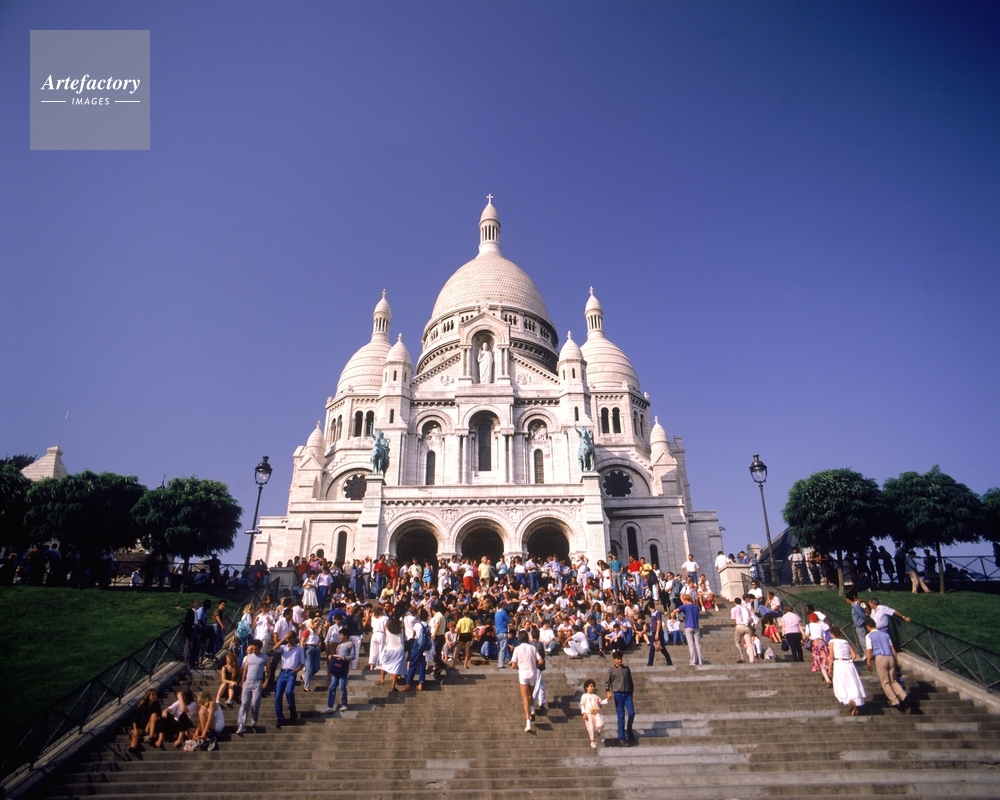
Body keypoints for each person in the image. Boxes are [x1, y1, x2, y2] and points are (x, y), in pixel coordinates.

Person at [864, 618, 910, 712]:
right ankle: (904, 696)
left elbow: (869, 650)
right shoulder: (885, 634)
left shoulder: (869, 636)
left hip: (880, 658)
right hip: (890, 657)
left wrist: (868, 662)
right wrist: (895, 660)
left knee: (885, 682)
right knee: (894, 681)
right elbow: (892, 648)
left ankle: (895, 701)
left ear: (868, 626)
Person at [509, 630, 542, 732]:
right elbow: (541, 661)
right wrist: (534, 665)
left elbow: (513, 665)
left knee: (525, 699)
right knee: (530, 695)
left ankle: (528, 723)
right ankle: (532, 709)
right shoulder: (533, 648)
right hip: (533, 674)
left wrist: (519, 668)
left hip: (523, 674)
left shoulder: (517, 649)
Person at [829, 625, 866, 715]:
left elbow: (831, 656)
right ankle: (854, 701)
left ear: (832, 633)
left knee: (841, 683)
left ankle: (849, 700)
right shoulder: (846, 642)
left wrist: (830, 667)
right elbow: (854, 656)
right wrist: (849, 660)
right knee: (851, 683)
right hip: (849, 664)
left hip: (839, 663)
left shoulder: (832, 642)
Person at [236, 639, 268, 736]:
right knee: (244, 703)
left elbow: (269, 670)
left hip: (257, 681)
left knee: (255, 703)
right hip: (248, 681)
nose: (254, 651)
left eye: (256, 649)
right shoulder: (249, 657)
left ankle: (254, 718)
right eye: (253, 649)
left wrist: (266, 680)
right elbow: (245, 670)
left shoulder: (265, 657)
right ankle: (241, 724)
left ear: (260, 648)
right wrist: (243, 682)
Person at [273, 632, 305, 728]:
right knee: (278, 696)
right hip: (283, 672)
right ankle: (280, 718)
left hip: (291, 672)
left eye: (291, 637)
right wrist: (284, 638)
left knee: (289, 692)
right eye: (289, 638)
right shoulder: (284, 647)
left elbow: (302, 662)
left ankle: (292, 709)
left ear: (295, 638)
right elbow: (275, 648)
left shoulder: (299, 649)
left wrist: (298, 669)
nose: (290, 639)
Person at [605, 650, 636, 746]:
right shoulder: (611, 670)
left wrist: (631, 691)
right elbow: (607, 682)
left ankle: (629, 729)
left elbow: (630, 681)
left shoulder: (626, 669)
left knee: (631, 713)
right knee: (621, 716)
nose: (619, 661)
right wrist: (608, 691)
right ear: (614, 660)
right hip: (618, 694)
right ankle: (622, 738)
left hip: (627, 693)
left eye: (620, 659)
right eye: (617, 659)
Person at [327, 634, 356, 711]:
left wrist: (344, 658)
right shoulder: (339, 645)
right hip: (336, 667)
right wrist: (332, 656)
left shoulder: (350, 644)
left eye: (341, 635)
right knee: (332, 686)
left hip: (344, 667)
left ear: (346, 636)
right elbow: (338, 655)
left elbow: (353, 656)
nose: (339, 637)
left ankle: (344, 704)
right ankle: (330, 706)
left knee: (342, 686)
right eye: (339, 635)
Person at [129, 689, 162, 754]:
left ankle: (151, 737)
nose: (155, 697)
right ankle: (133, 748)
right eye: (153, 695)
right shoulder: (141, 705)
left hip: (150, 726)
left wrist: (157, 718)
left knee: (154, 715)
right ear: (148, 696)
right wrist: (135, 729)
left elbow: (159, 716)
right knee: (135, 735)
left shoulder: (156, 705)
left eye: (156, 695)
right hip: (140, 727)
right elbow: (134, 719)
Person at [673, 594, 703, 666]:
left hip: (688, 626)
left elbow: (675, 611)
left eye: (684, 600)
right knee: (698, 644)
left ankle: (693, 661)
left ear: (686, 600)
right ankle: (700, 661)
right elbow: (698, 614)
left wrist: (672, 618)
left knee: (691, 644)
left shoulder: (685, 606)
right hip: (696, 626)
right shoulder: (696, 607)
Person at [580, 679, 608, 748]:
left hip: (596, 712)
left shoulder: (595, 696)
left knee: (601, 723)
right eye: (591, 686)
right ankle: (592, 741)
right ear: (586, 687)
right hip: (589, 713)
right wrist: (584, 713)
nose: (592, 688)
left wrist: (607, 699)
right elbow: (582, 705)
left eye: (593, 686)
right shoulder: (584, 696)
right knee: (591, 727)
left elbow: (601, 702)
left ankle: (598, 733)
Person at [645, 602, 672, 666]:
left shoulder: (657, 613)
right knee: (654, 648)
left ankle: (650, 663)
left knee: (660, 648)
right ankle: (650, 663)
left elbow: (659, 623)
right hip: (653, 632)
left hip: (657, 632)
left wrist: (657, 633)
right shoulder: (652, 613)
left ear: (649, 607)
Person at [730, 595, 755, 664]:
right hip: (747, 626)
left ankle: (742, 658)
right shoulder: (745, 608)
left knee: (737, 642)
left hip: (739, 626)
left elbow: (734, 620)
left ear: (735, 602)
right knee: (749, 643)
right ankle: (752, 660)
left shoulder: (733, 609)